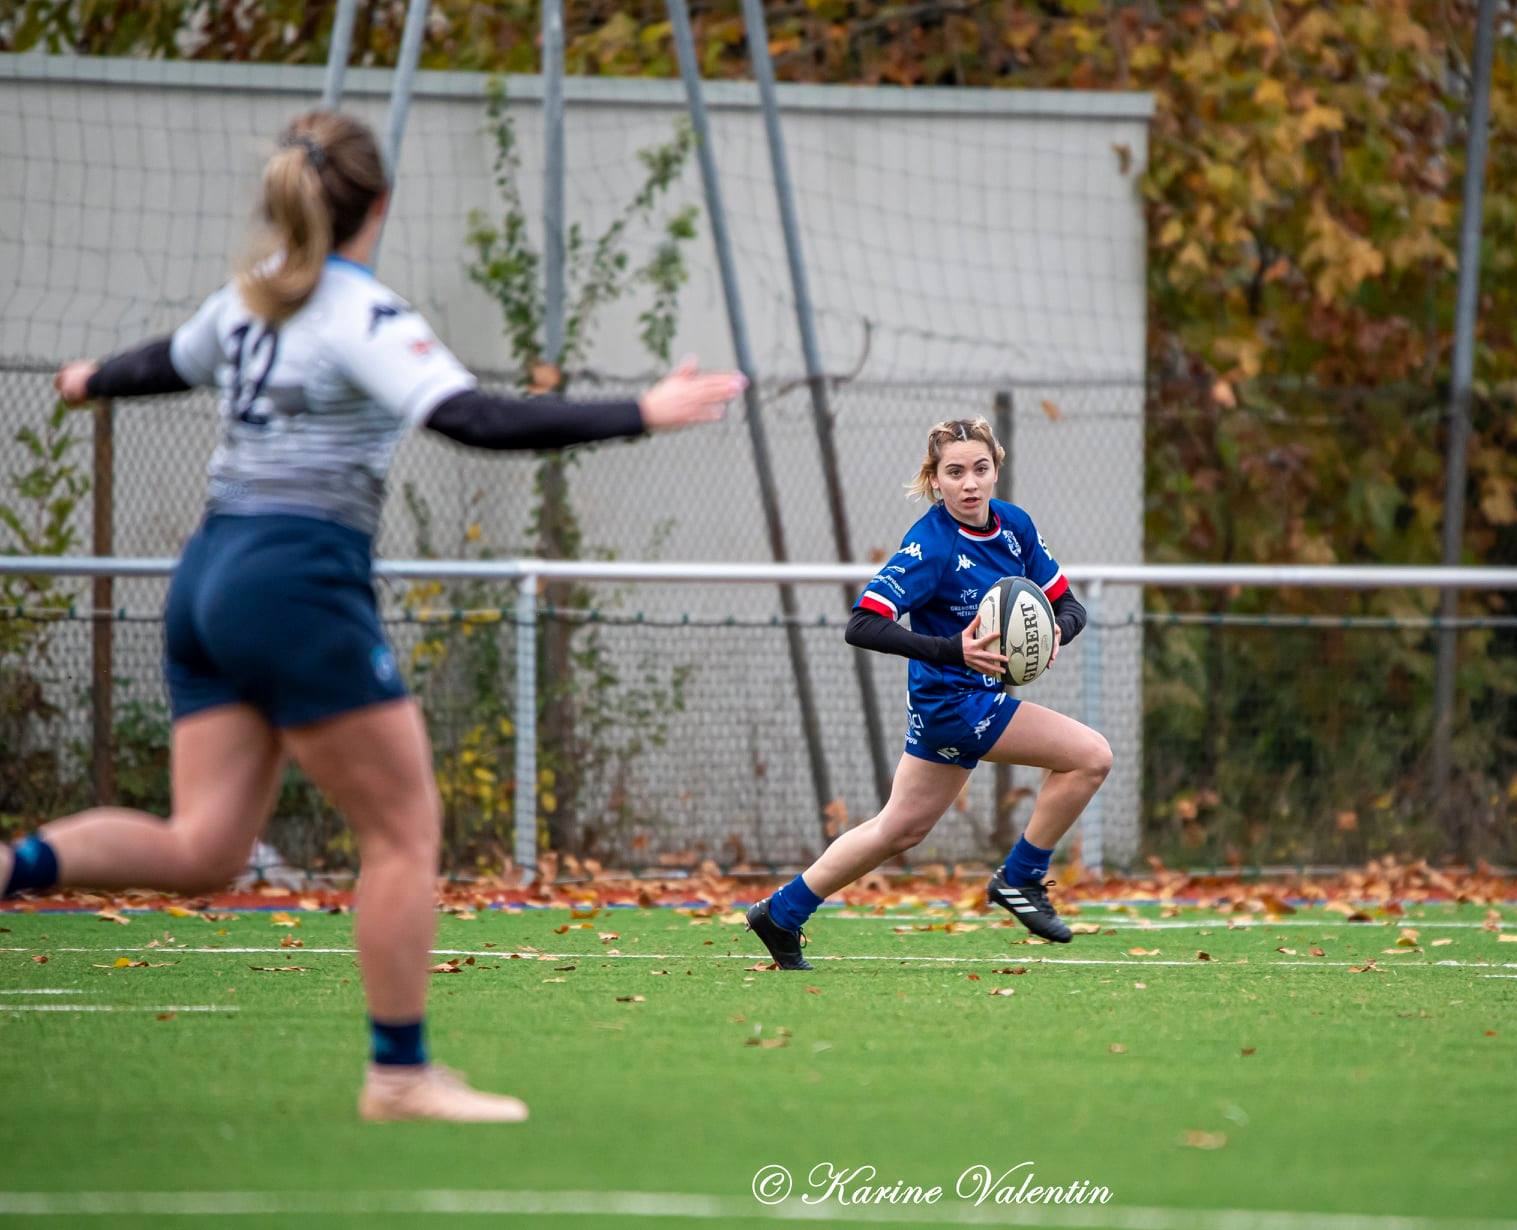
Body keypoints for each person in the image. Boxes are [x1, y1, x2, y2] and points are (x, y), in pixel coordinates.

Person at [0, 112, 746, 1122]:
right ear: (378, 206)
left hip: (208, 575)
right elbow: (471, 418)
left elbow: (164, 363)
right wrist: (638, 413)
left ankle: (15, 866)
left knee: (205, 848)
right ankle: (399, 1074)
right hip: (294, 581)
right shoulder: (358, 312)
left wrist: (91, 378)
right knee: (402, 833)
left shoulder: (249, 300)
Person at [746, 417, 1110, 970]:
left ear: (996, 470)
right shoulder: (931, 545)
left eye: (980, 469)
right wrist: (952, 651)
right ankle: (1022, 877)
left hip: (964, 704)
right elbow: (862, 624)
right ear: (935, 480)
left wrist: (1058, 630)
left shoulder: (1015, 527)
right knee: (1090, 757)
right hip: (956, 705)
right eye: (955, 472)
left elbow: (1070, 604)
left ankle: (782, 912)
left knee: (899, 829)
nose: (969, 483)